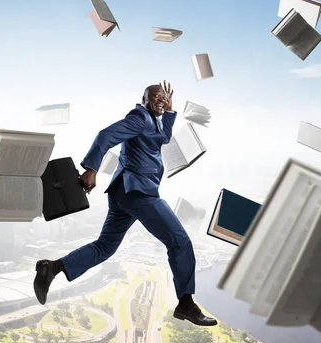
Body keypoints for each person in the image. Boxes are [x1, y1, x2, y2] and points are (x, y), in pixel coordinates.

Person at [33, 81, 217, 327]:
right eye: (155, 97)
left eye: (163, 97)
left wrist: (169, 111)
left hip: (124, 193)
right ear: (143, 101)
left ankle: (51, 268)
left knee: (105, 246)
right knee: (180, 242)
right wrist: (92, 168)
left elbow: (162, 137)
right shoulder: (140, 118)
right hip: (138, 193)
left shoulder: (155, 121)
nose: (160, 100)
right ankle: (185, 304)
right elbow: (106, 135)